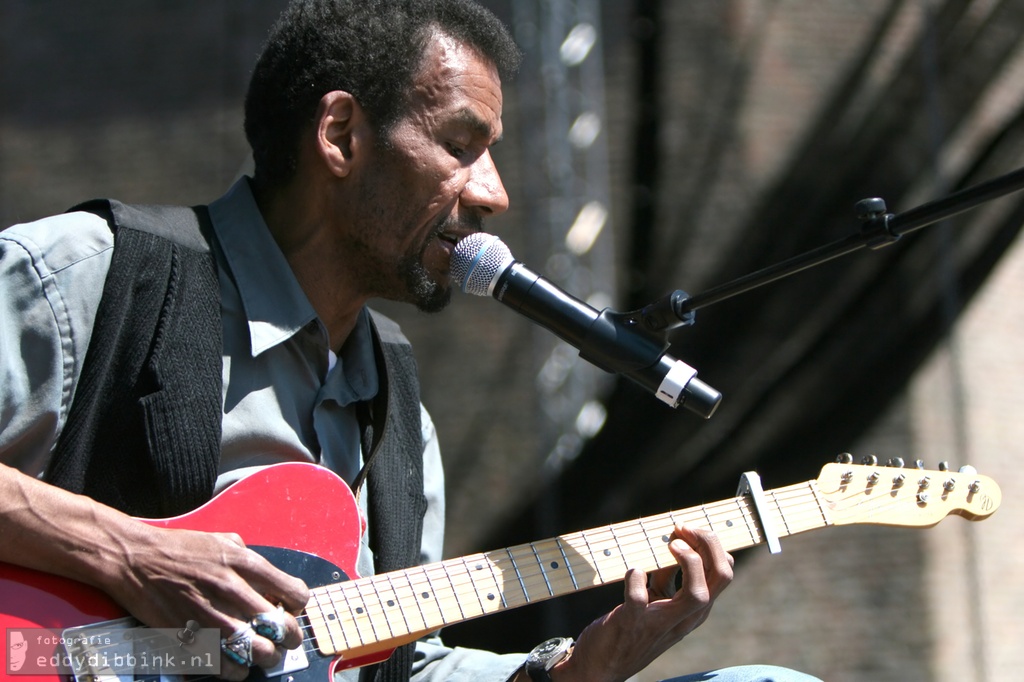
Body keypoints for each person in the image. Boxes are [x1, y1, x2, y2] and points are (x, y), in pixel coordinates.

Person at [0, 1, 821, 681]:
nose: (494, 195)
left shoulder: (394, 413)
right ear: (342, 137)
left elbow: (393, 667)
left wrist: (575, 672)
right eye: (461, 147)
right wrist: (127, 551)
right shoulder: (93, 275)